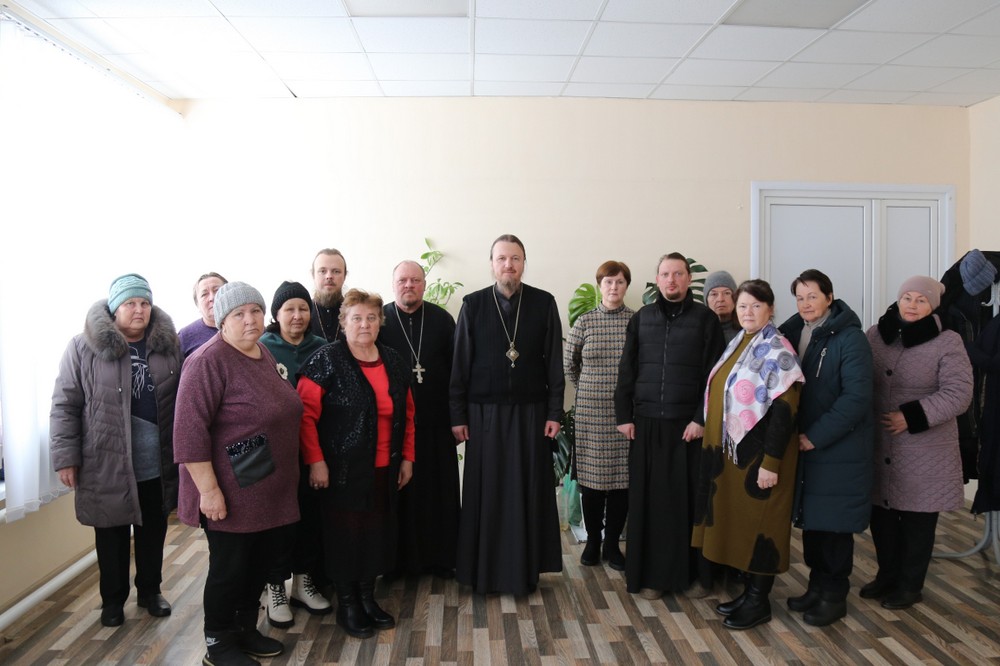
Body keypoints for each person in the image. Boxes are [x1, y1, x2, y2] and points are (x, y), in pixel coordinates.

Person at [173, 282, 302, 666]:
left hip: (267, 486)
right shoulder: (207, 361)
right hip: (230, 490)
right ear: (222, 321)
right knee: (229, 570)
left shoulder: (261, 351)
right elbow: (188, 434)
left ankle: (244, 629)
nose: (250, 320)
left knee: (258, 565)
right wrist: (209, 492)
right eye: (239, 314)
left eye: (255, 311)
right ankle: (218, 644)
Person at [50, 274, 182, 628]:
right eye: (130, 303)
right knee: (111, 535)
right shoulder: (82, 347)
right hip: (105, 460)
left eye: (144, 303)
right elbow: (64, 405)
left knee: (153, 530)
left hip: (156, 460)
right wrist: (66, 458)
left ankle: (150, 591)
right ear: (113, 308)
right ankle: (112, 600)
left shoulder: (168, 346)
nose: (139, 310)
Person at [450, 234, 564, 596]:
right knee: (488, 493)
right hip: (484, 415)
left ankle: (524, 571)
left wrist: (555, 412)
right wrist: (458, 415)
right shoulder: (473, 305)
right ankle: (484, 572)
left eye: (515, 259)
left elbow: (555, 365)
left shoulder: (544, 303)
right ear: (492, 264)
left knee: (527, 491)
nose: (508, 265)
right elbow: (460, 366)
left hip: (531, 413)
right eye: (501, 259)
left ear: (524, 263)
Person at [297, 289, 415, 638]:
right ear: (344, 323)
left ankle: (367, 598)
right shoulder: (326, 360)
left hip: (385, 468)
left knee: (376, 535)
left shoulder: (394, 360)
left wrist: (408, 458)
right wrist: (315, 461)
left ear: (380, 322)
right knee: (345, 537)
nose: (364, 324)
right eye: (357, 318)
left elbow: (408, 414)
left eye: (371, 318)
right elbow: (304, 417)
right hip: (341, 471)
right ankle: (348, 604)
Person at [692, 279, 805, 630]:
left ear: (770, 309)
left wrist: (771, 463)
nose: (748, 312)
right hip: (736, 459)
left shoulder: (778, 350)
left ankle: (759, 602)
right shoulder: (741, 341)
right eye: (743, 306)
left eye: (756, 306)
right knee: (744, 525)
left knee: (763, 527)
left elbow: (785, 411)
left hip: (762, 459)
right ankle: (750, 595)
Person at [614, 253, 725, 600]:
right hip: (647, 425)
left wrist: (700, 419)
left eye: (678, 274)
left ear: (688, 279)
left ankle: (693, 577)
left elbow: (715, 377)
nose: (671, 280)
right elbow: (627, 369)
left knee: (689, 504)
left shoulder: (706, 320)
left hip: (688, 428)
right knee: (651, 505)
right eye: (665, 274)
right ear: (657, 280)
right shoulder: (642, 319)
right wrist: (624, 416)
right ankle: (653, 577)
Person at [862, 276, 973, 610]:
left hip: (925, 448)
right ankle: (887, 575)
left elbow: (959, 393)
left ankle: (910, 586)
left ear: (932, 306)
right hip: (880, 444)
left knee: (917, 520)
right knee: (881, 515)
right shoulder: (875, 335)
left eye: (921, 300)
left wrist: (910, 416)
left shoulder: (947, 341)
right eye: (907, 297)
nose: (912, 305)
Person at [778, 269, 874, 626]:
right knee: (815, 523)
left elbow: (857, 397)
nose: (805, 304)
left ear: (829, 298)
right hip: (808, 448)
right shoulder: (793, 333)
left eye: (813, 296)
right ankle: (816, 588)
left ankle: (834, 597)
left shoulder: (851, 339)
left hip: (838, 449)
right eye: (800, 298)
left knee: (835, 527)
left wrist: (815, 436)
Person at [380, 260, 460, 579]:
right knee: (402, 494)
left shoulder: (442, 320)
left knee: (438, 493)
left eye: (415, 280)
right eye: (403, 280)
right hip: (396, 425)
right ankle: (398, 564)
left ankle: (441, 559)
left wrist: (458, 417)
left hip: (438, 422)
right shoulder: (380, 320)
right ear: (393, 284)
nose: (409, 285)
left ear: (424, 285)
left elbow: (458, 373)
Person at [258, 281, 331, 627]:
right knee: (277, 522)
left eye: (303, 308)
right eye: (290, 309)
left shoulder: (323, 348)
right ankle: (275, 586)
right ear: (277, 314)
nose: (297, 315)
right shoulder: (262, 349)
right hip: (275, 454)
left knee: (309, 517)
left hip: (313, 449)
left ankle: (303, 582)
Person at [563, 260, 634, 571]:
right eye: (608, 282)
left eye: (619, 281)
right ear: (600, 286)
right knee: (592, 484)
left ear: (626, 285)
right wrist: (589, 388)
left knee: (621, 483)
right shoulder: (585, 321)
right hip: (590, 415)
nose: (613, 287)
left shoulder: (636, 321)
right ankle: (593, 542)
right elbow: (570, 364)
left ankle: (612, 545)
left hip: (625, 415)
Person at [177, 272, 228, 357]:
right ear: (197, 304)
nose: (212, 298)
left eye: (217, 290)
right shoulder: (185, 336)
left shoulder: (246, 326)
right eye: (204, 294)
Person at [310, 248, 348, 342]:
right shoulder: (302, 313)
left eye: (336, 271)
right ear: (313, 275)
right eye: (322, 271)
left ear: (345, 276)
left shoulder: (355, 313)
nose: (329, 276)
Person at [705, 270, 740, 342]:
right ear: (706, 300)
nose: (720, 299)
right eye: (714, 294)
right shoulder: (699, 331)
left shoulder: (747, 331)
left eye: (727, 293)